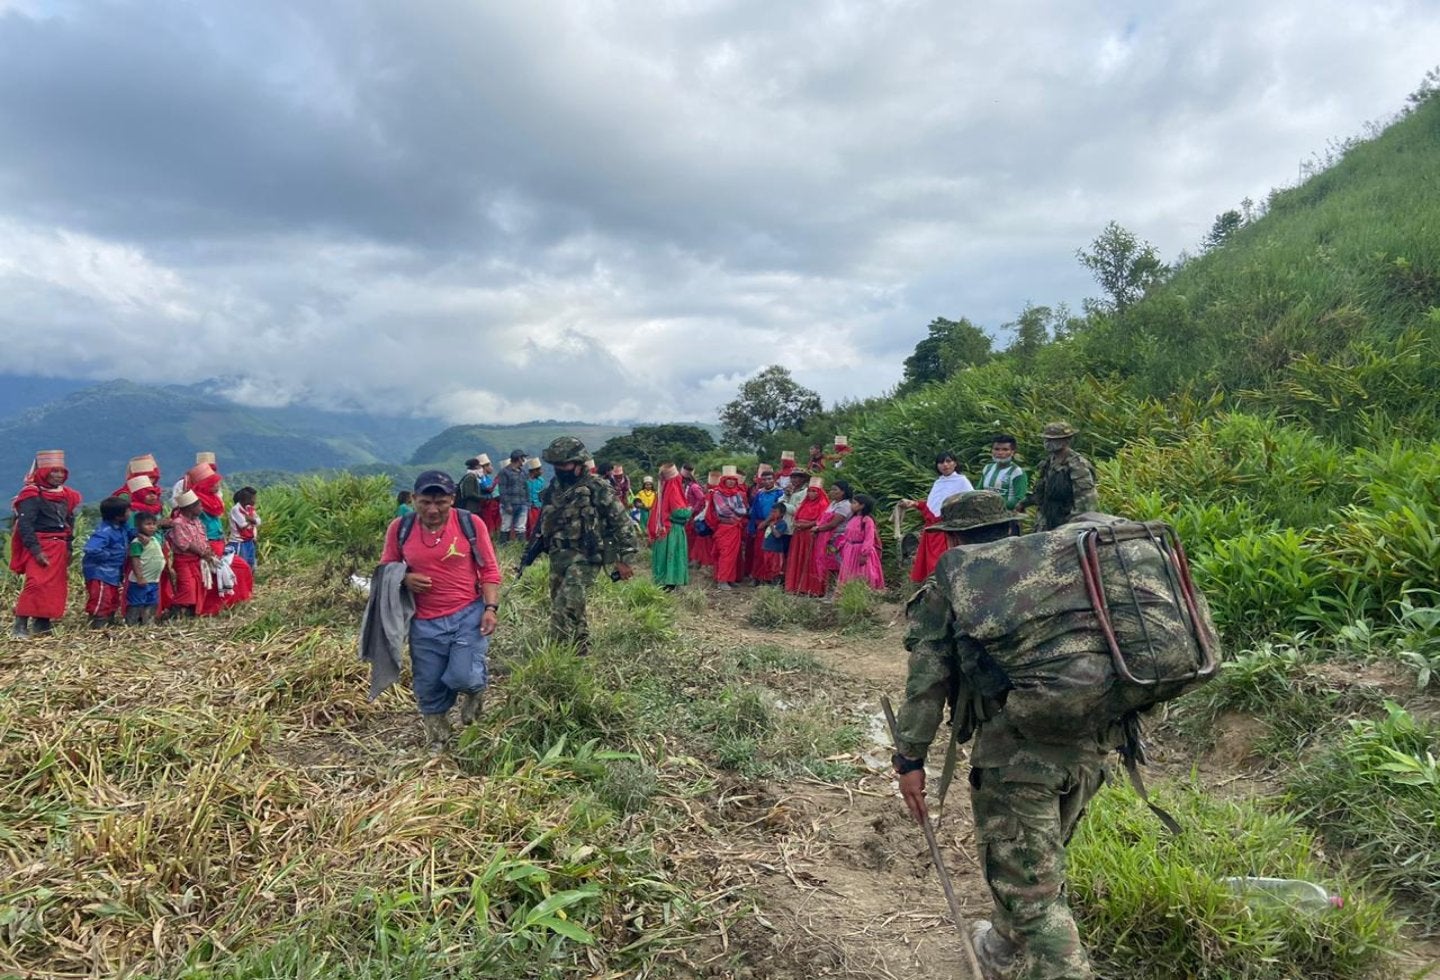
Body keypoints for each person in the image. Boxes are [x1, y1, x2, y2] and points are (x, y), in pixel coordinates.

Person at [894, 491, 1115, 980]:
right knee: (1033, 865)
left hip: (1018, 759)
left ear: (950, 539)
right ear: (1012, 530)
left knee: (1034, 896)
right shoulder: (1063, 577)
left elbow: (928, 682)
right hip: (1096, 745)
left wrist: (910, 759)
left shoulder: (952, 589)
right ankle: (1001, 947)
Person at [379, 470, 501, 752]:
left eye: (441, 502)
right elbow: (386, 568)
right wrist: (405, 578)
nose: (432, 510)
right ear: (413, 499)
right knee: (429, 685)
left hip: (467, 614)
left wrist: (491, 608)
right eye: (425, 502)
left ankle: (475, 692)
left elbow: (489, 569)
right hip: (423, 622)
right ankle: (438, 739)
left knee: (463, 676)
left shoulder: (471, 524)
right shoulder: (401, 528)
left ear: (452, 499)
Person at [531, 437, 639, 655]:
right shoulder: (554, 487)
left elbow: (622, 523)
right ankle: (580, 648)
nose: (560, 469)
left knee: (566, 603)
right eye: (557, 465)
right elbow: (545, 521)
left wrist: (625, 559)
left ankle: (556, 655)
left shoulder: (597, 487)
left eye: (565, 464)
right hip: (558, 554)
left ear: (579, 463)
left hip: (587, 555)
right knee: (567, 602)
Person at [9, 449, 82, 638]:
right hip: (40, 544)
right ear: (43, 472)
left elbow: (69, 522)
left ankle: (42, 623)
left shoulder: (67, 495)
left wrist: (68, 547)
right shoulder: (31, 494)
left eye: (61, 471)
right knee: (35, 583)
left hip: (59, 545)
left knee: (53, 587)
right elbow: (25, 525)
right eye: (54, 471)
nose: (58, 476)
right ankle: (20, 623)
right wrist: (36, 551)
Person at [904, 451, 975, 582]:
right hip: (931, 530)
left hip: (947, 530)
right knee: (931, 567)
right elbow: (932, 506)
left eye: (948, 461)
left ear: (955, 463)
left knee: (942, 563)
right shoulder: (938, 483)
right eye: (941, 462)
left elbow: (970, 502)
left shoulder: (962, 482)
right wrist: (914, 504)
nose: (945, 465)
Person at [1018, 422, 1099, 532]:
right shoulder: (1049, 462)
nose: (1049, 443)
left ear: (1067, 440)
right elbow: (1042, 492)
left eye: (1055, 439)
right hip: (1047, 521)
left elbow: (1086, 500)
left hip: (1067, 523)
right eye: (1047, 439)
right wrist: (1024, 503)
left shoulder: (1077, 465)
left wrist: (1072, 527)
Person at [166, 489, 217, 619]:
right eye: (199, 506)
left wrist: (208, 550)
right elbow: (184, 543)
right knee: (187, 587)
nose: (201, 508)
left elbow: (203, 539)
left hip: (197, 560)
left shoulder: (198, 522)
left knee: (197, 585)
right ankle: (175, 613)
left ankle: (190, 613)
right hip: (185, 561)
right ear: (190, 508)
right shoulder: (178, 523)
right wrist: (202, 553)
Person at [82, 496, 132, 628]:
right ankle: (97, 622)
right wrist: (108, 556)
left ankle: (108, 620)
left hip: (113, 571)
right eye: (127, 511)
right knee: (101, 597)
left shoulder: (122, 528)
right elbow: (91, 549)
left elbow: (132, 534)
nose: (129, 513)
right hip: (100, 571)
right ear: (118, 516)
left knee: (112, 596)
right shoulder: (105, 531)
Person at [784, 476, 829, 597]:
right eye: (809, 490)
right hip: (799, 534)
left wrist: (807, 525)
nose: (811, 493)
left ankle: (811, 588)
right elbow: (796, 515)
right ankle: (797, 586)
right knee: (798, 558)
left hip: (811, 535)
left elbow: (821, 520)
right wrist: (796, 523)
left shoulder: (823, 504)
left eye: (814, 491)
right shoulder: (805, 503)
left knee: (809, 559)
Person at [648, 463, 690, 590]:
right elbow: (678, 512)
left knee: (663, 555)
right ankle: (671, 582)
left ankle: (662, 582)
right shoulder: (674, 489)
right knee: (673, 553)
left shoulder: (663, 489)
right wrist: (689, 511)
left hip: (663, 529)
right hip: (673, 529)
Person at [709, 466, 749, 590]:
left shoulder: (737, 493)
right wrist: (735, 513)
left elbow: (743, 510)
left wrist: (734, 514)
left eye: (733, 479)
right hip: (724, 528)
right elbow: (722, 510)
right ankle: (722, 580)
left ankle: (730, 578)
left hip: (734, 528)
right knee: (725, 553)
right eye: (729, 479)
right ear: (724, 480)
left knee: (734, 555)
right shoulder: (717, 493)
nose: (731, 482)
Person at [813, 479, 854, 596]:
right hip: (828, 540)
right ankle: (829, 593)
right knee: (829, 567)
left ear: (843, 492)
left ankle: (839, 594)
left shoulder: (845, 505)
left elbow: (833, 524)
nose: (831, 492)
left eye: (835, 490)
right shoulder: (833, 504)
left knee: (837, 567)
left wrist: (817, 529)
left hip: (838, 540)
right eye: (831, 489)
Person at [125, 511, 165, 625]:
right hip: (141, 581)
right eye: (148, 524)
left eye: (153, 523)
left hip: (153, 580)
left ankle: (148, 624)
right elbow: (135, 560)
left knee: (151, 602)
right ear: (138, 526)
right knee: (136, 603)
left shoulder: (154, 540)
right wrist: (139, 577)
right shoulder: (137, 542)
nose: (152, 527)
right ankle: (131, 624)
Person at [746, 467, 785, 585]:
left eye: (769, 479)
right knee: (758, 552)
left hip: (772, 525)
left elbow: (778, 510)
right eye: (764, 480)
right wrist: (752, 526)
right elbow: (754, 510)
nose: (766, 481)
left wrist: (767, 522)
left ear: (774, 479)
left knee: (770, 553)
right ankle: (756, 577)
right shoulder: (760, 493)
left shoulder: (780, 492)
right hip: (759, 524)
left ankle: (769, 578)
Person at [837, 493, 884, 590]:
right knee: (849, 572)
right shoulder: (852, 518)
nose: (851, 505)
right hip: (850, 550)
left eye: (854, 503)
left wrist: (864, 553)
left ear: (862, 506)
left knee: (861, 572)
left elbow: (869, 538)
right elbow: (846, 535)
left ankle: (862, 593)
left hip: (860, 550)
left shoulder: (867, 520)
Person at [981, 433, 1030, 510]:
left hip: (1008, 517)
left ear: (1012, 452)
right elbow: (978, 491)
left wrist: (995, 507)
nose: (1000, 453)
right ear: (992, 451)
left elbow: (1019, 498)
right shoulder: (987, 468)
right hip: (985, 515)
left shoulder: (1017, 472)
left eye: (1005, 449)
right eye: (996, 449)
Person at [497, 450, 531, 544]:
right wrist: (507, 504)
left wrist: (527, 503)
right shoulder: (504, 472)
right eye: (523, 458)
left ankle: (520, 548)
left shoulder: (523, 472)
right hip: (510, 504)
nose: (524, 460)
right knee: (506, 526)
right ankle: (503, 547)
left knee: (521, 527)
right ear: (519, 459)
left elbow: (526, 488)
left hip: (522, 503)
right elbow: (502, 490)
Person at [228, 486, 261, 568]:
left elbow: (259, 521)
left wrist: (251, 520)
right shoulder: (235, 509)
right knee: (242, 566)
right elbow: (242, 525)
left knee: (251, 565)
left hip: (249, 541)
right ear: (246, 499)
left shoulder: (249, 508)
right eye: (253, 498)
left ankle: (249, 580)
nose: (255, 501)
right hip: (239, 542)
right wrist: (252, 520)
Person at [525, 458, 546, 538]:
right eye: (539, 469)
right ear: (534, 471)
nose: (541, 471)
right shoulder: (525, 481)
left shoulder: (541, 481)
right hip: (528, 506)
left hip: (538, 506)